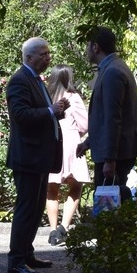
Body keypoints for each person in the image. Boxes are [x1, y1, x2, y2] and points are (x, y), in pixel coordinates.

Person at [5, 37, 65, 273]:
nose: (48, 58)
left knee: (35, 208)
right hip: (27, 157)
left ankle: (27, 254)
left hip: (38, 156)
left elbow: (38, 113)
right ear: (29, 57)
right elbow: (20, 115)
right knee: (26, 208)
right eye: (43, 54)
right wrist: (51, 110)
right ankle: (16, 262)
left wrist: (56, 112)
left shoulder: (35, 80)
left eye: (48, 53)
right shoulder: (20, 80)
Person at [81, 26, 137, 194]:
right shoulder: (114, 67)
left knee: (108, 203)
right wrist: (88, 143)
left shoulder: (112, 72)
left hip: (115, 155)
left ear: (95, 47)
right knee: (111, 201)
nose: (86, 50)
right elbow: (106, 117)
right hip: (115, 152)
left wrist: (110, 159)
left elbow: (113, 118)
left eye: (87, 45)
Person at [44, 64, 89, 245]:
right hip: (71, 144)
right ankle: (63, 227)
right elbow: (84, 125)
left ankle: (52, 230)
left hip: (52, 144)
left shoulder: (47, 96)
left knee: (51, 189)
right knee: (75, 186)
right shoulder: (73, 97)